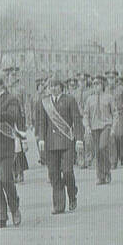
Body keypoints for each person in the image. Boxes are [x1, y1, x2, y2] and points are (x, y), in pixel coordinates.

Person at [35, 76, 84, 214]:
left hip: (67, 141)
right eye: (50, 86)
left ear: (61, 87)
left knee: (68, 171)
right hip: (51, 143)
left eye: (55, 85)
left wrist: (79, 139)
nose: (53, 88)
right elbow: (41, 122)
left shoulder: (69, 100)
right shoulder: (44, 102)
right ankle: (59, 205)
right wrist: (41, 139)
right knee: (54, 174)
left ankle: (72, 193)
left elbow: (77, 121)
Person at [0, 74, 24, 230]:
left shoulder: (10, 99)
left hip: (4, 145)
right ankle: (0, 216)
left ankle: (14, 208)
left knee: (6, 178)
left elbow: (13, 116)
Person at [83, 74, 115, 184]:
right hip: (94, 127)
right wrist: (87, 126)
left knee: (102, 147)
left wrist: (113, 127)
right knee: (98, 151)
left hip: (106, 126)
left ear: (102, 85)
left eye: (98, 84)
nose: (95, 86)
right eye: (94, 84)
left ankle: (107, 171)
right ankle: (100, 176)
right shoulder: (89, 99)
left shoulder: (109, 97)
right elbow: (86, 114)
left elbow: (115, 113)